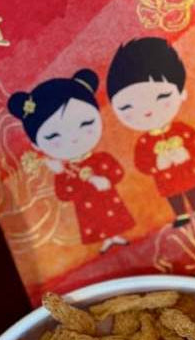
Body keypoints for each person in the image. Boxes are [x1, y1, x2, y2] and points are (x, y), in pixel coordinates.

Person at [8, 70, 134, 252]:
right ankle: (107, 240)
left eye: (85, 124)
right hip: (86, 206)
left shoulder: (100, 159)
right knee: (96, 221)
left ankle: (116, 236)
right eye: (53, 135)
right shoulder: (66, 169)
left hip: (108, 198)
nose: (74, 138)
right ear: (36, 144)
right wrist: (60, 172)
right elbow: (64, 194)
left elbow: (117, 172)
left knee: (113, 217)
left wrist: (104, 179)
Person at [106, 37, 195, 228]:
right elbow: (141, 163)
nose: (147, 111)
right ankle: (181, 215)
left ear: (181, 93)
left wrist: (186, 152)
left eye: (162, 96)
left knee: (192, 189)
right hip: (165, 178)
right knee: (173, 196)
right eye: (128, 107)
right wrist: (157, 164)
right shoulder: (145, 142)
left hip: (187, 170)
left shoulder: (180, 130)